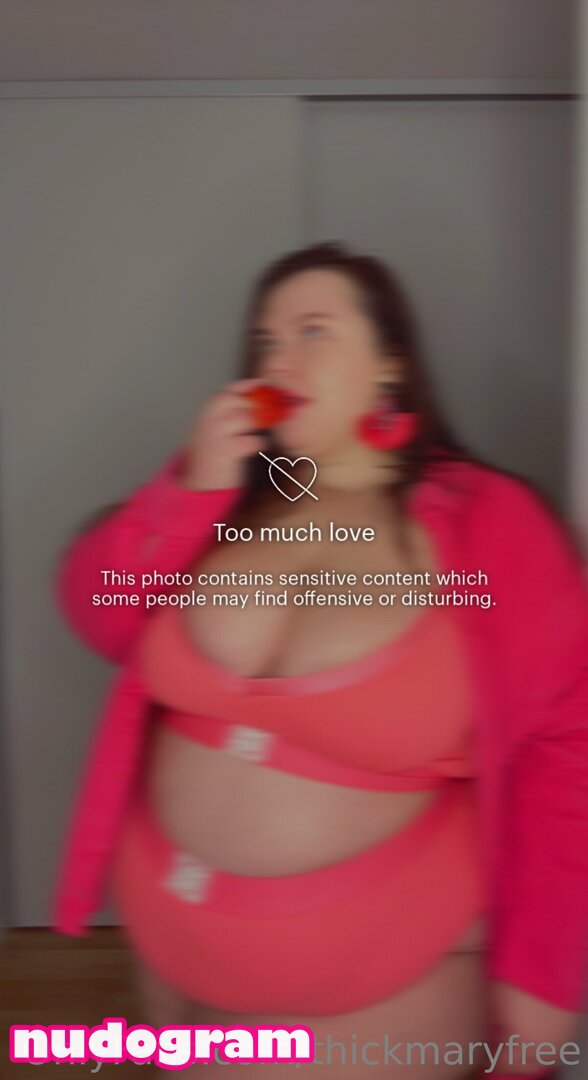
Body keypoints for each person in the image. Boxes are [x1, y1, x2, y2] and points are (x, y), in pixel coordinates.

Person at [52, 243, 588, 1078]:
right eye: (265, 342)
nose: (280, 361)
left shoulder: (488, 520)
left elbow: (569, 740)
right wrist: (186, 492)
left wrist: (544, 976)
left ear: (390, 362)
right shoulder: (230, 501)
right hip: (170, 971)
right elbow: (98, 611)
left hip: (374, 994)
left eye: (313, 331)